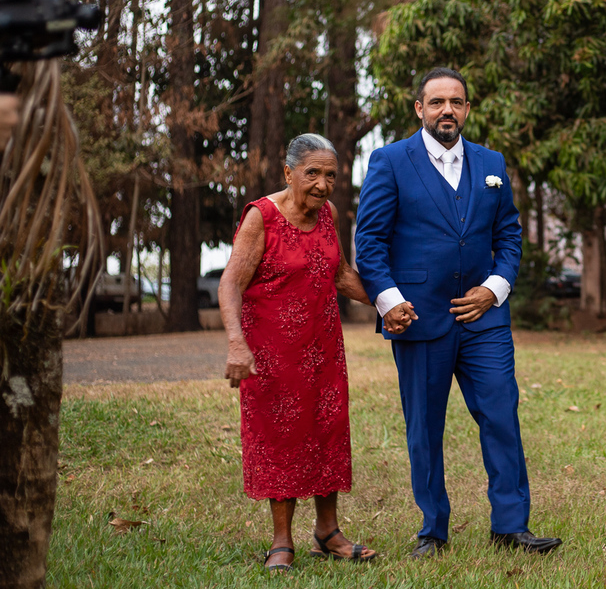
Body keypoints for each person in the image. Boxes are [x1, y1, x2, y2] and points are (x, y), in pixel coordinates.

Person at [354, 67, 562, 559]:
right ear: (419, 109)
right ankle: (433, 529)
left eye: (457, 102)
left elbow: (508, 235)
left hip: (484, 320)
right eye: (437, 102)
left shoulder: (492, 162)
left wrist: (494, 289)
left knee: (500, 415)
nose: (447, 109)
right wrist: (389, 302)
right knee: (424, 427)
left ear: (467, 109)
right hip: (419, 317)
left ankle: (510, 526)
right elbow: (369, 242)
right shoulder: (389, 161)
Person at [220, 133, 381, 573]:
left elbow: (340, 274)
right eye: (313, 173)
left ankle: (328, 532)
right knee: (281, 438)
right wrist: (236, 342)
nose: (323, 184)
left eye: (331, 175)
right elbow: (231, 282)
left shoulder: (327, 214)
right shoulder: (262, 216)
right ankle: (281, 541)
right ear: (288, 172)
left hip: (324, 349)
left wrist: (389, 300)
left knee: (327, 431)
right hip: (272, 355)